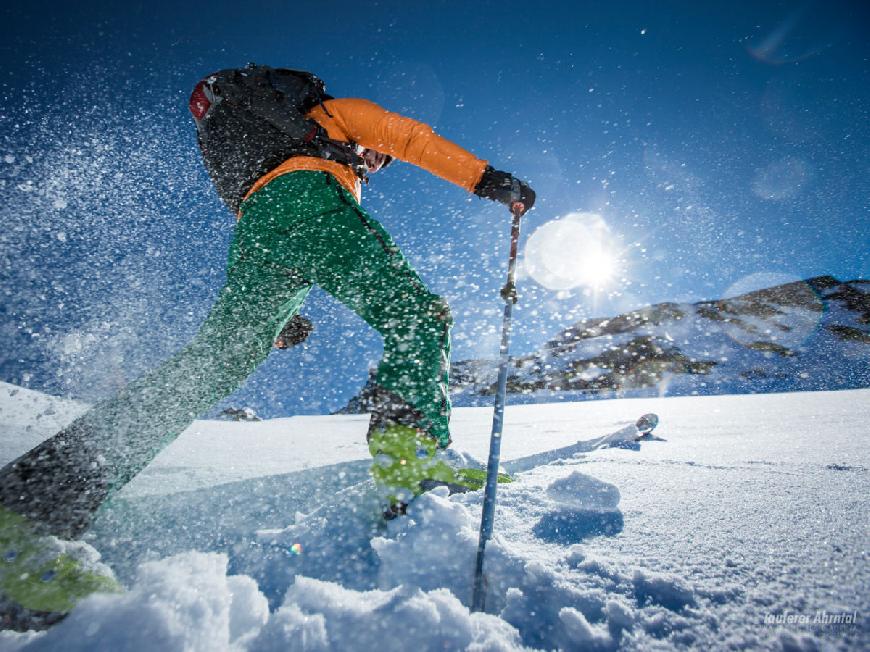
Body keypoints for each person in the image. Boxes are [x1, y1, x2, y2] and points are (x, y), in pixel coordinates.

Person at [0, 65, 534, 620]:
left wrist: (280, 314)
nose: (376, 162)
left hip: (257, 230)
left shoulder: (268, 145)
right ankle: (412, 459)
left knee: (212, 365)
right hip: (306, 203)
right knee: (418, 313)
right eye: (375, 157)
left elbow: (283, 226)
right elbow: (410, 137)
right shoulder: (332, 119)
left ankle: (30, 505)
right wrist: (488, 179)